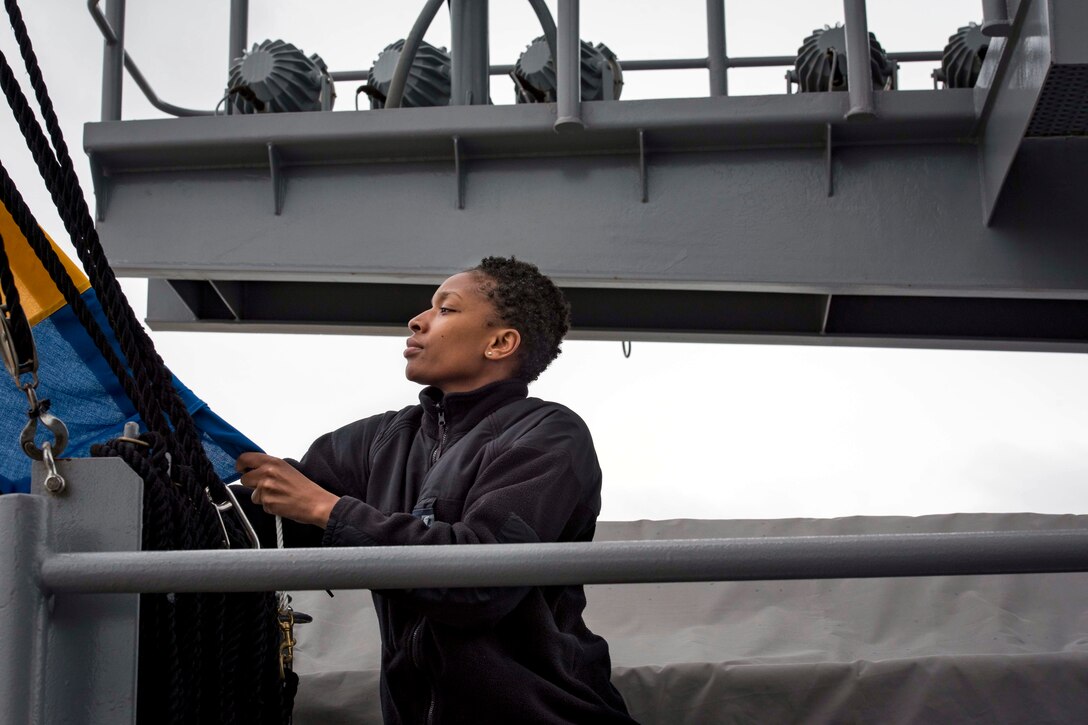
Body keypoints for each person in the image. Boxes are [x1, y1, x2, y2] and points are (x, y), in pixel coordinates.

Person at [238, 256, 637, 725]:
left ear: (500, 343)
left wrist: (327, 510)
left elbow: (478, 585)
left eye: (446, 309)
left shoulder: (549, 433)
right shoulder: (379, 440)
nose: (417, 320)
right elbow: (268, 519)